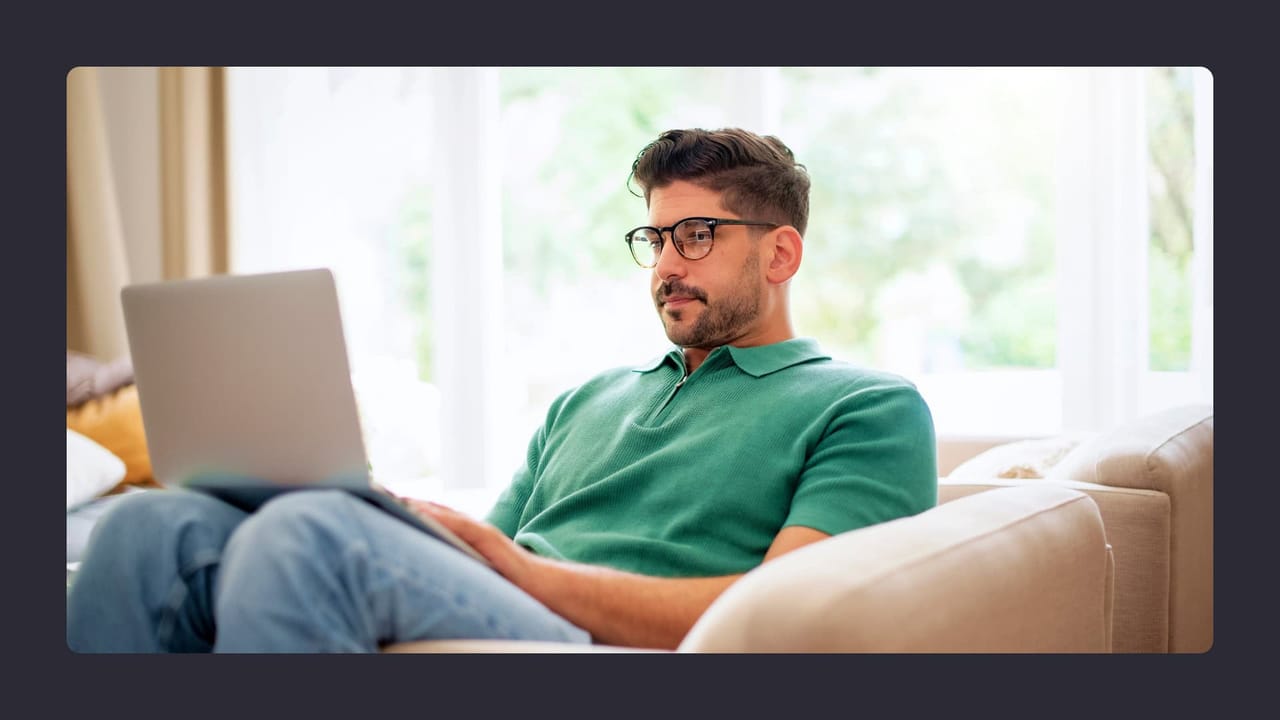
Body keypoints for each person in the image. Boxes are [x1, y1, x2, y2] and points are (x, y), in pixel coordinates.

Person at [66, 127, 937, 653]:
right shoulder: (587, 399)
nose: (666, 263)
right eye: (656, 235)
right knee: (151, 523)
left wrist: (520, 570)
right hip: (511, 602)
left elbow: (779, 623)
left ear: (779, 253)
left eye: (698, 234)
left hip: (602, 643)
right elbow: (489, 548)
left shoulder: (865, 407)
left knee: (309, 537)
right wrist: (400, 517)